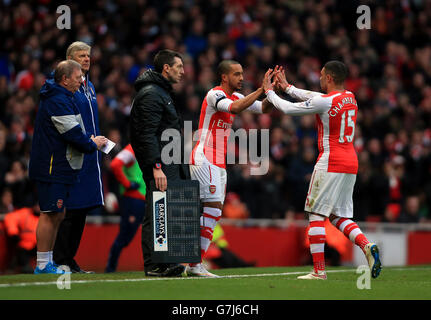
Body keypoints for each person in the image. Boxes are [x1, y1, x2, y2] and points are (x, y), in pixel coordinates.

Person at [262, 61, 382, 280]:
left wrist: (269, 93)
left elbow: (288, 108)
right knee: (338, 216)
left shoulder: (325, 102)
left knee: (316, 214)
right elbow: (313, 96)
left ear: (329, 78)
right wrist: (289, 88)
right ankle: (367, 245)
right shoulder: (351, 97)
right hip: (350, 162)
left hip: (330, 160)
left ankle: (319, 271)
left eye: (322, 75)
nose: (319, 78)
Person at [188, 60, 273, 277]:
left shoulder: (235, 96)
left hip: (218, 161)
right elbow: (234, 108)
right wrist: (262, 89)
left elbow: (263, 107)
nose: (241, 78)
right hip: (203, 156)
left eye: (242, 73)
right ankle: (189, 260)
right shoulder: (214, 95)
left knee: (213, 211)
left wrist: (273, 93)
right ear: (224, 77)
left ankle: (194, 264)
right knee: (210, 206)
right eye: (237, 74)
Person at [29, 60, 107, 274]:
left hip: (61, 166)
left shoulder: (64, 97)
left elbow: (74, 130)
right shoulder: (57, 99)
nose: (82, 81)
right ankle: (43, 264)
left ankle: (48, 262)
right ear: (64, 79)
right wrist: (92, 143)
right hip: (52, 166)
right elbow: (71, 133)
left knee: (59, 213)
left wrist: (88, 139)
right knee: (49, 212)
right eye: (77, 77)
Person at [130, 49, 189, 277]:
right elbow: (146, 134)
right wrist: (156, 167)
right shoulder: (152, 94)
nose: (183, 72)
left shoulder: (159, 92)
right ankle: (154, 264)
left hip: (168, 162)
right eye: (179, 67)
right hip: (161, 165)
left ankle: (164, 262)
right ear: (166, 68)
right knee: (157, 212)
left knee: (163, 211)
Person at [53, 42, 105, 273]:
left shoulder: (89, 86)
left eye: (88, 55)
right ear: (69, 59)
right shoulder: (65, 87)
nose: (86, 59)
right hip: (73, 155)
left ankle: (70, 260)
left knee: (82, 209)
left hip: (90, 155)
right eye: (81, 55)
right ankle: (60, 259)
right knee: (71, 210)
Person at [105, 144, 146, 273]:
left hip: (141, 198)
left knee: (127, 236)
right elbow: (115, 164)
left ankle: (110, 267)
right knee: (125, 236)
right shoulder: (132, 149)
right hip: (133, 199)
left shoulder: (144, 148)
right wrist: (127, 184)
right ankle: (110, 268)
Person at [4, 201, 39, 273]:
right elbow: (10, 217)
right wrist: (13, 232)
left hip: (43, 247)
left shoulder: (47, 216)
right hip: (25, 245)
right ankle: (25, 268)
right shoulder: (25, 213)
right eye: (37, 204)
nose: (38, 207)